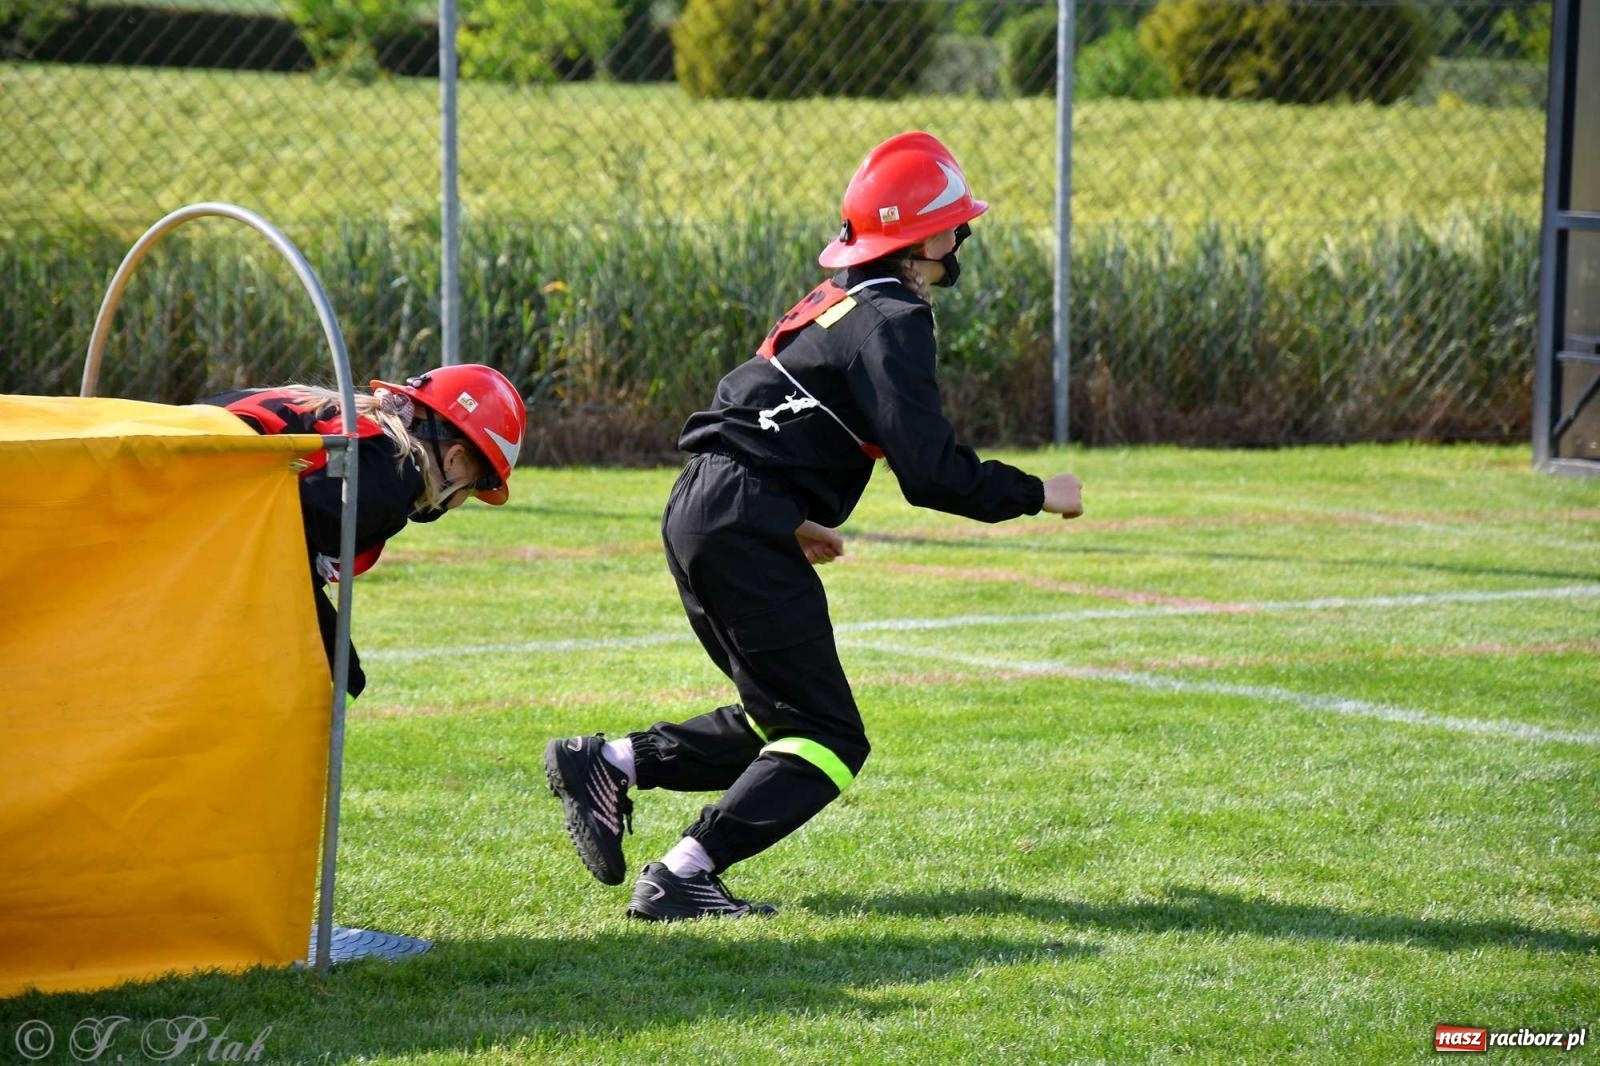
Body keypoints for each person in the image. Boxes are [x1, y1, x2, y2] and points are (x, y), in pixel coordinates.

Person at [544, 131, 1084, 921]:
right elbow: (930, 472)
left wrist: (785, 515)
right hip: (739, 515)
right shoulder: (896, 315)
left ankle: (613, 761)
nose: (963, 236)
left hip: (705, 506)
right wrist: (1040, 492)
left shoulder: (833, 302)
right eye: (956, 223)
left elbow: (763, 414)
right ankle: (684, 871)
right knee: (829, 736)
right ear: (928, 233)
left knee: (776, 716)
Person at [205, 363, 526, 697]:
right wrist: (337, 657)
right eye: (473, 489)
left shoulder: (353, 425)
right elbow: (277, 549)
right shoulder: (386, 481)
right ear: (455, 460)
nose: (461, 502)